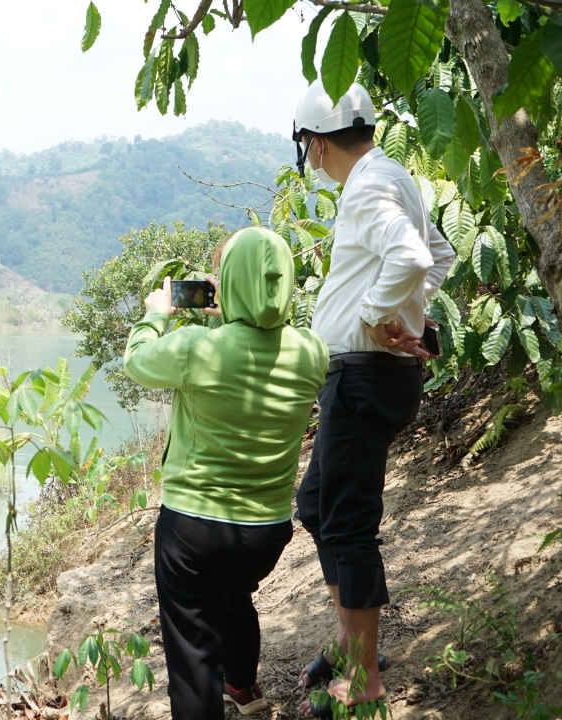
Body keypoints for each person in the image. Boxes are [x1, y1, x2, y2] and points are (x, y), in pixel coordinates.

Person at [291, 81, 455, 717]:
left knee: (348, 525)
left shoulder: (365, 187)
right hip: (369, 373)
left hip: (363, 375)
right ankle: (349, 643)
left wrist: (375, 316)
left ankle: (362, 680)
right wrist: (406, 316)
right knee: (316, 505)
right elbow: (439, 254)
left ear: (316, 143)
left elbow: (411, 256)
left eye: (307, 148)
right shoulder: (391, 176)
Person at [123, 227, 328, 718]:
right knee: (235, 599)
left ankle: (219, 693)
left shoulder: (196, 348)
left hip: (193, 533)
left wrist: (156, 312)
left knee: (192, 653)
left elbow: (135, 361)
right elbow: (263, 343)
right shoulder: (312, 351)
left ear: (229, 282)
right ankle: (243, 688)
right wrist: (243, 312)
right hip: (265, 535)